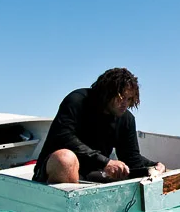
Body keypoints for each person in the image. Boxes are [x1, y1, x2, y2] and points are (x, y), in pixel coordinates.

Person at [32, 68, 166, 185]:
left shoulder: (126, 119)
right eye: (121, 97)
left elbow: (131, 157)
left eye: (129, 99)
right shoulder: (77, 100)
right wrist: (105, 162)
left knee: (130, 173)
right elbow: (63, 137)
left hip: (92, 173)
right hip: (53, 171)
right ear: (107, 92)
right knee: (66, 159)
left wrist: (153, 166)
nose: (125, 103)